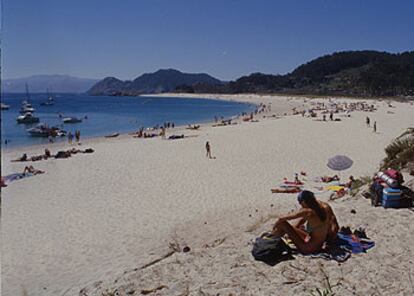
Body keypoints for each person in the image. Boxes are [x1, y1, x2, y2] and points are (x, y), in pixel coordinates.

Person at [270, 190, 339, 254]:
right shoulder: (325, 206)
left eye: (300, 203)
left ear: (304, 202)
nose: (301, 206)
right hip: (318, 243)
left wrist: (275, 226)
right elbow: (335, 226)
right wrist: (329, 241)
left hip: (308, 248)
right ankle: (274, 238)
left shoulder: (307, 212)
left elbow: (281, 219)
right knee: (292, 227)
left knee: (282, 224)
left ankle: (270, 240)